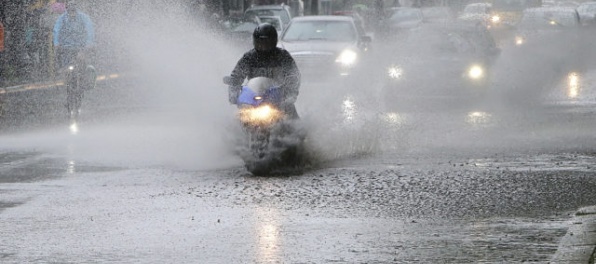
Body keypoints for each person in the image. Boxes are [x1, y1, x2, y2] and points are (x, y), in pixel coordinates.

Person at [227, 23, 301, 119]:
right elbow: (236, 76)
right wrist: (233, 93)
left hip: (279, 98)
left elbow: (293, 75)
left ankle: (299, 132)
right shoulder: (249, 57)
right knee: (238, 117)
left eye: (267, 43)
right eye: (260, 42)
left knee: (293, 121)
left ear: (274, 41)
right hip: (254, 98)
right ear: (255, 41)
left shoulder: (283, 56)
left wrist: (290, 94)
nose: (263, 46)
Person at [52, 0, 95, 117]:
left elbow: (90, 31)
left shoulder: (84, 18)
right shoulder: (61, 19)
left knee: (82, 69)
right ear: (67, 8)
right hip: (66, 49)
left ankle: (84, 83)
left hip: (81, 48)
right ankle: (66, 84)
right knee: (66, 70)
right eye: (70, 9)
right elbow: (56, 31)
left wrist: (89, 44)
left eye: (73, 10)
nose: (72, 13)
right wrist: (56, 43)